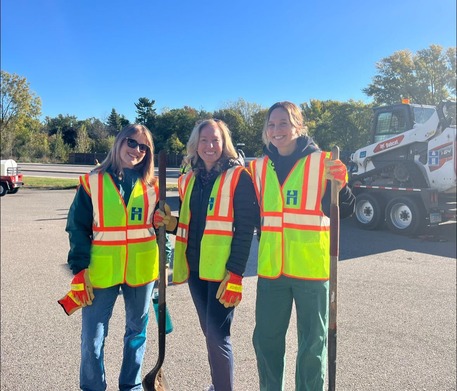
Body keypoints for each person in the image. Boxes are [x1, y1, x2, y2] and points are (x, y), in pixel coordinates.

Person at [249, 101, 355, 391]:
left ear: (298, 125)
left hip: (311, 270)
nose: (276, 130)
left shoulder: (322, 162)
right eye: (271, 124)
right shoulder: (258, 168)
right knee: (266, 341)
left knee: (312, 345)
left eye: (283, 123)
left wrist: (342, 187)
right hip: (272, 271)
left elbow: (343, 210)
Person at [155, 119, 257, 391]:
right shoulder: (189, 179)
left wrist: (236, 274)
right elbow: (192, 225)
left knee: (217, 335)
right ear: (195, 145)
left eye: (215, 140)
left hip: (223, 272)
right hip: (195, 269)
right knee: (210, 334)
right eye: (204, 140)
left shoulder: (238, 177)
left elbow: (246, 229)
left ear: (225, 144)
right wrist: (170, 224)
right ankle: (218, 385)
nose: (210, 146)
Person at [62, 124, 163, 391]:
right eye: (132, 143)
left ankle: (131, 384)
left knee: (136, 333)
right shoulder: (92, 181)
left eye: (144, 147)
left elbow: (163, 226)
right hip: (101, 269)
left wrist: (167, 233)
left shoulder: (153, 185)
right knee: (93, 336)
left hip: (142, 268)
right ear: (119, 142)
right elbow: (77, 227)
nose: (137, 150)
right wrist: (79, 268)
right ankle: (93, 386)